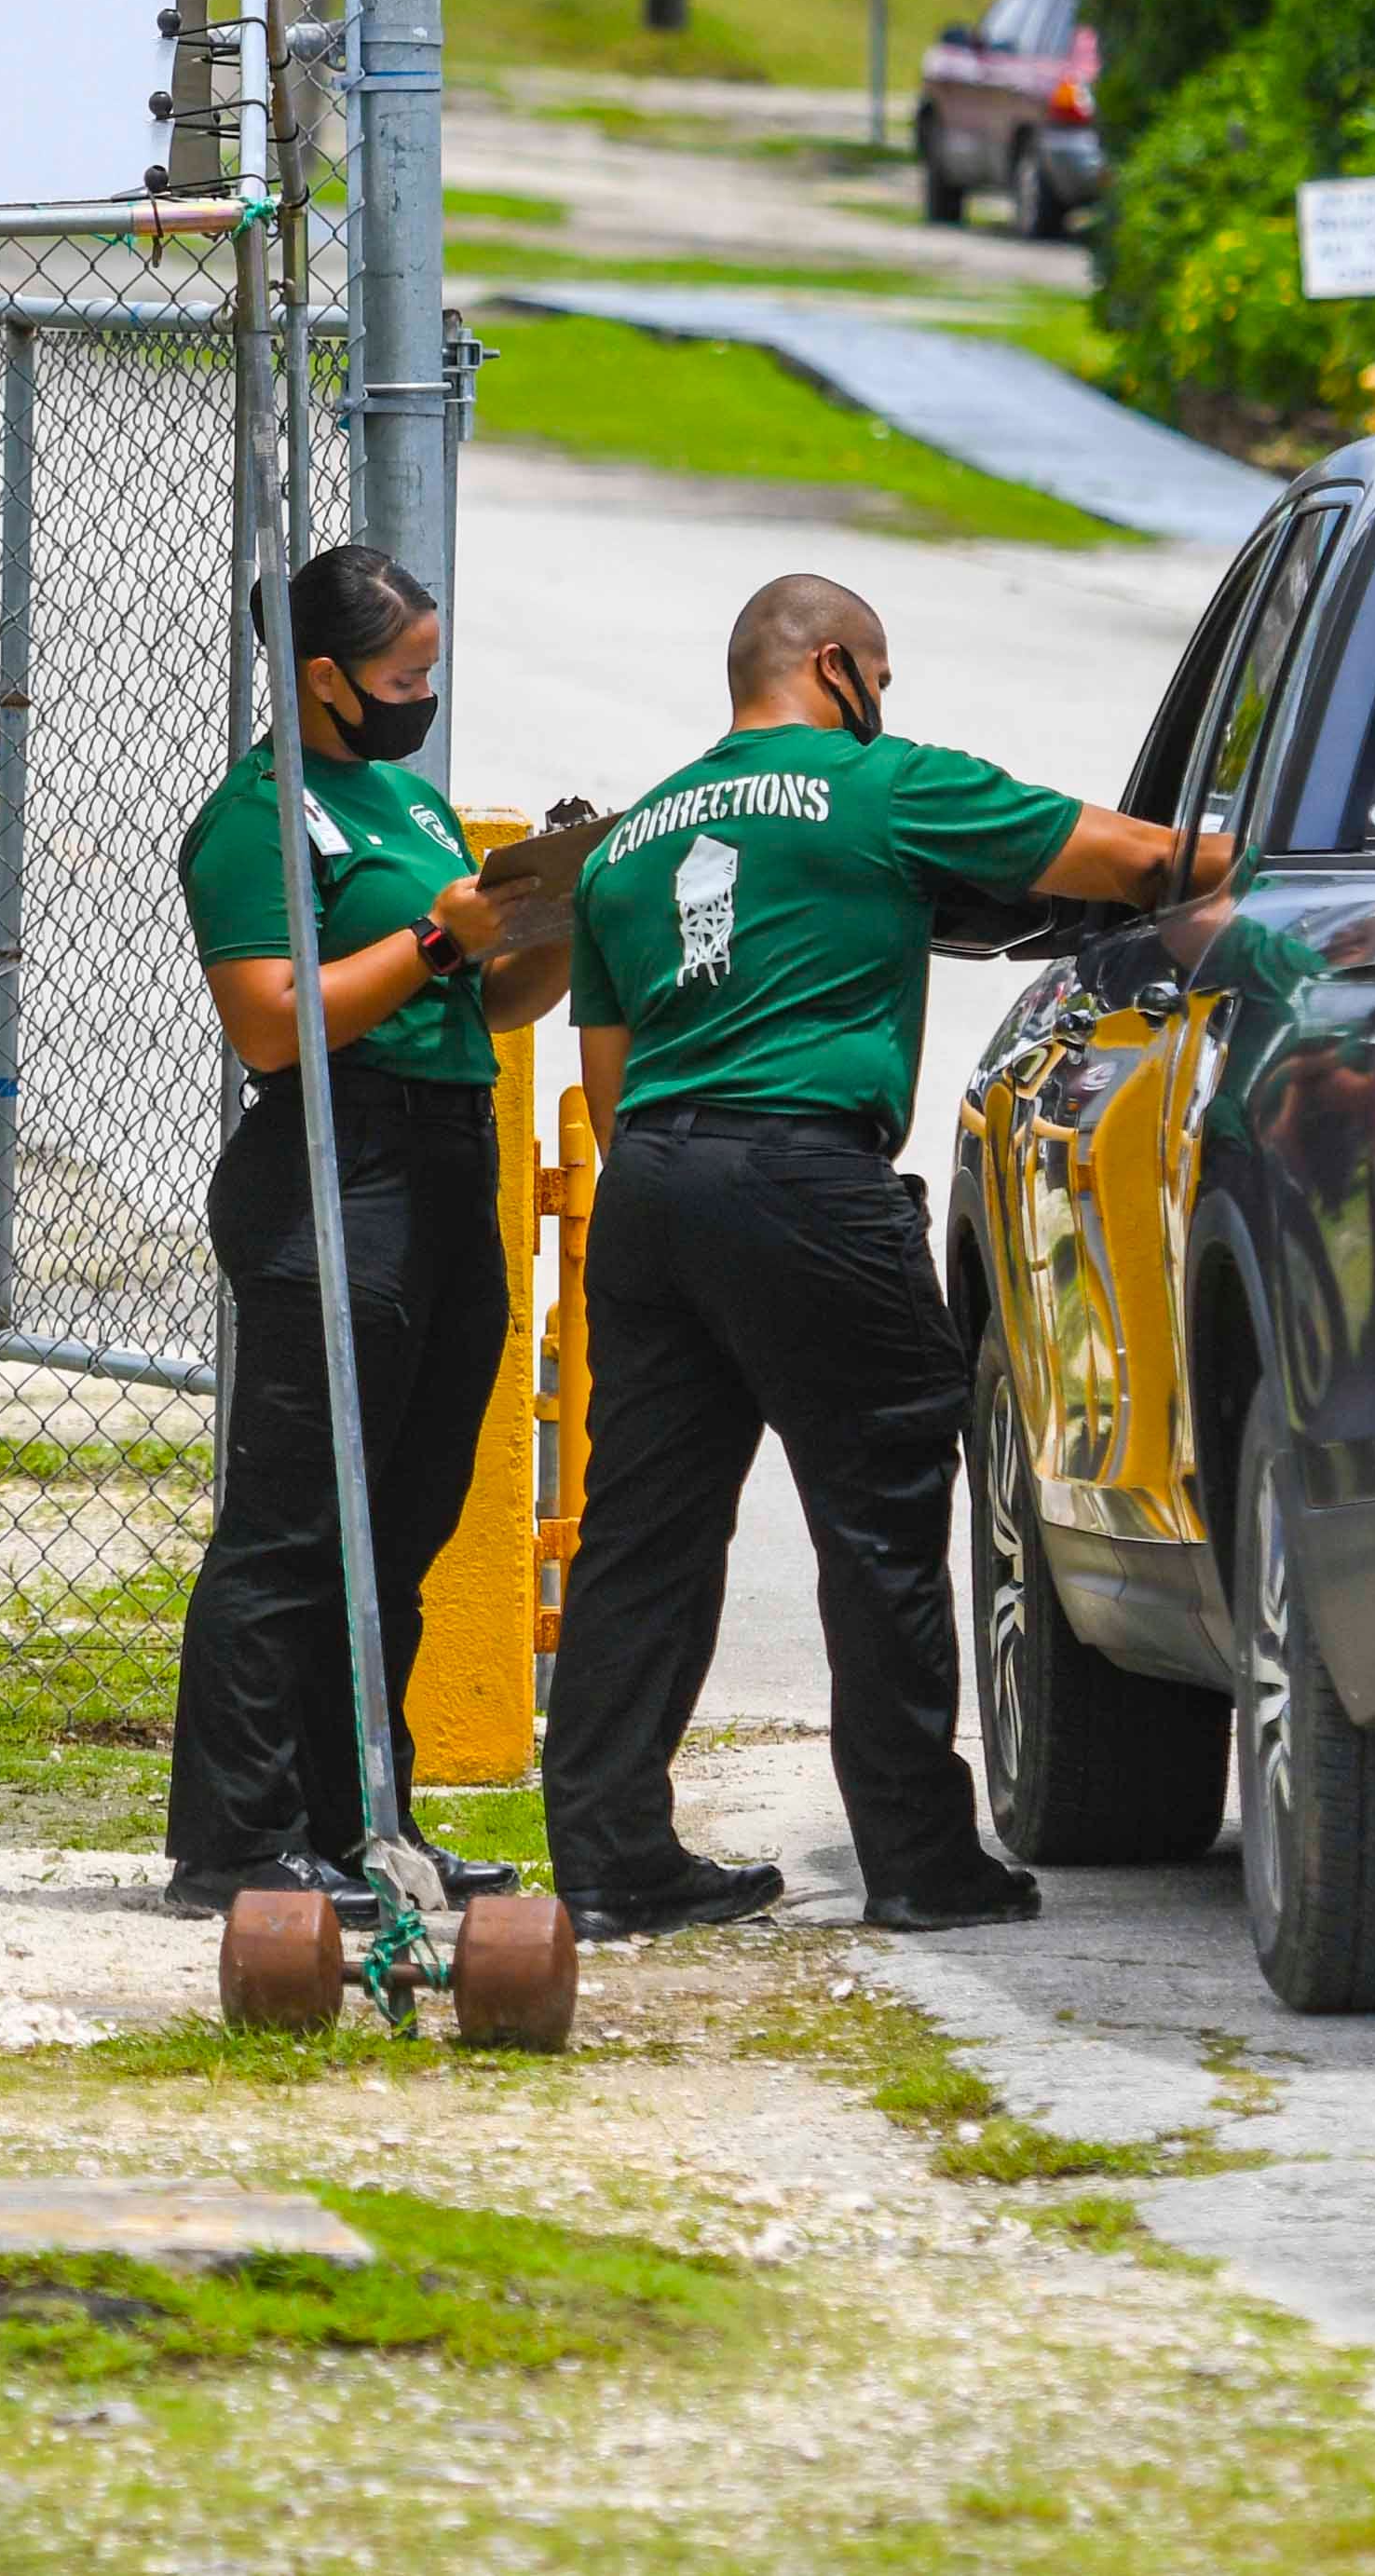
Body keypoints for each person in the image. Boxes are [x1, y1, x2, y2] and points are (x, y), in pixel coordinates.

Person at [542, 569, 1218, 1942]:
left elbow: (613, 1093)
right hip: (808, 1180)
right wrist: (1295, 858)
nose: (885, 704)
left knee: (646, 1536)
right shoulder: (883, 783)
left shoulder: (627, 845)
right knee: (882, 1519)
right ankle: (919, 1859)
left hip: (657, 1189)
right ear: (840, 667)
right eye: (883, 682)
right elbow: (1147, 862)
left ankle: (612, 1862)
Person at [163, 541, 570, 1918]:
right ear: (324, 680)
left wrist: (545, 920)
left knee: (404, 1523)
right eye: (406, 675)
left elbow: (496, 1008)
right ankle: (233, 1835)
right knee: (292, 1525)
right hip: (341, 1167)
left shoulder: (411, 803)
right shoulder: (258, 815)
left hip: (450, 1161)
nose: (424, 697)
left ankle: (361, 1825)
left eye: (433, 672)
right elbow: (272, 1024)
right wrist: (442, 943)